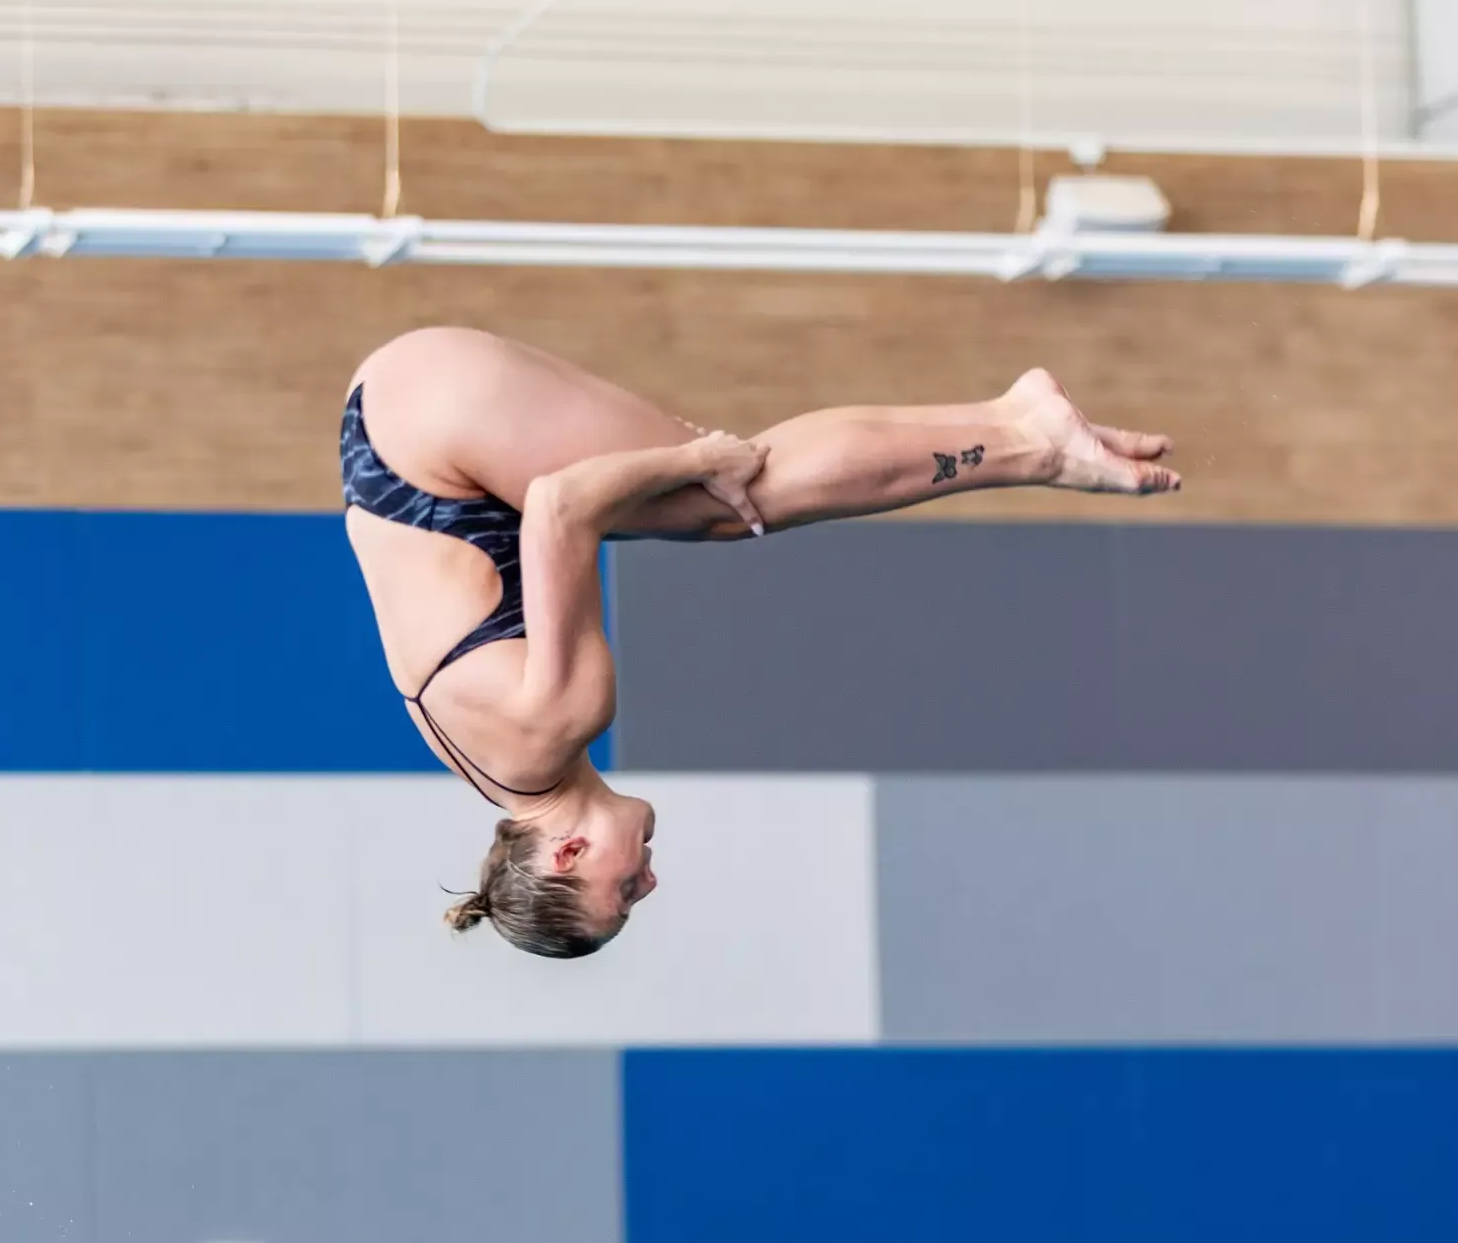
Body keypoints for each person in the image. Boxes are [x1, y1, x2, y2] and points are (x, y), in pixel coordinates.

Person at [341, 326, 1179, 959]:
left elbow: (561, 505)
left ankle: (1028, 436)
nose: (649, 880)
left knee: (734, 489)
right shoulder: (498, 776)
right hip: (396, 427)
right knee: (699, 504)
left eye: (624, 892)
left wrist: (693, 455)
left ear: (566, 852)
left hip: (430, 423)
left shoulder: (556, 724)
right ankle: (1021, 432)